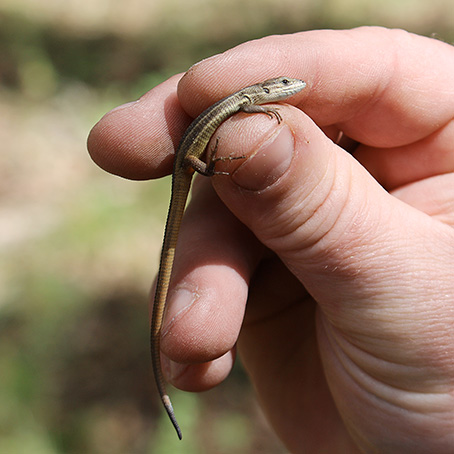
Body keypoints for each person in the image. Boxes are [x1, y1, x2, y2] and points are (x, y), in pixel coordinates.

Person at [87, 27, 454, 453]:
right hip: (191, 163)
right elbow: (237, 117)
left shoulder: (248, 101)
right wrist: (212, 167)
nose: (289, 89)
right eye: (282, 85)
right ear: (264, 90)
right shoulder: (247, 100)